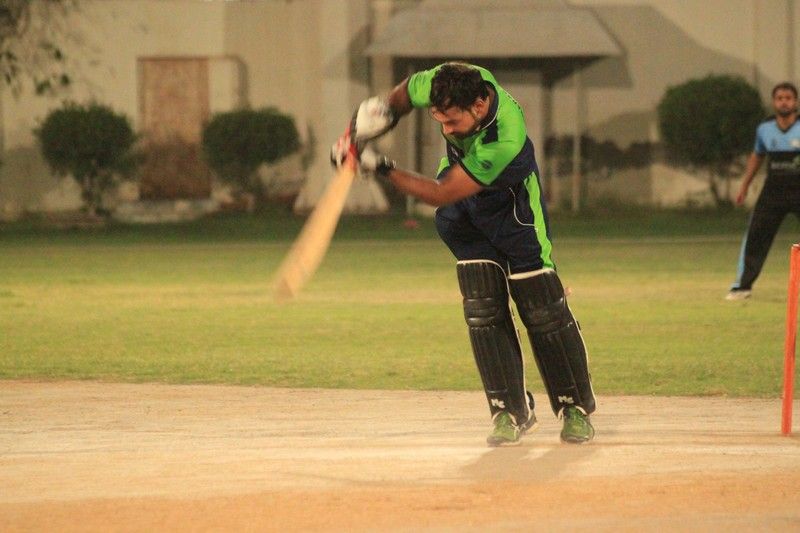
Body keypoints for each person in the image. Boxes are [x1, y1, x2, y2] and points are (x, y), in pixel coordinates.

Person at [331, 62, 596, 446]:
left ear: (479, 105)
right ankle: (509, 411)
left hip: (514, 211)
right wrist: (376, 118)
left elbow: (441, 194)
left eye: (453, 121)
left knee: (543, 310)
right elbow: (404, 94)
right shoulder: (444, 81)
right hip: (464, 211)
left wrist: (379, 166)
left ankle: (574, 409)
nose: (447, 130)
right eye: (438, 119)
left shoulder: (504, 136)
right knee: (483, 309)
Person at [727, 82, 800, 301]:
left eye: (788, 98)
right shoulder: (765, 129)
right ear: (774, 102)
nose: (784, 102)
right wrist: (744, 185)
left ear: (795, 102)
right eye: (779, 98)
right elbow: (757, 156)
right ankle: (743, 286)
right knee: (756, 235)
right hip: (774, 191)